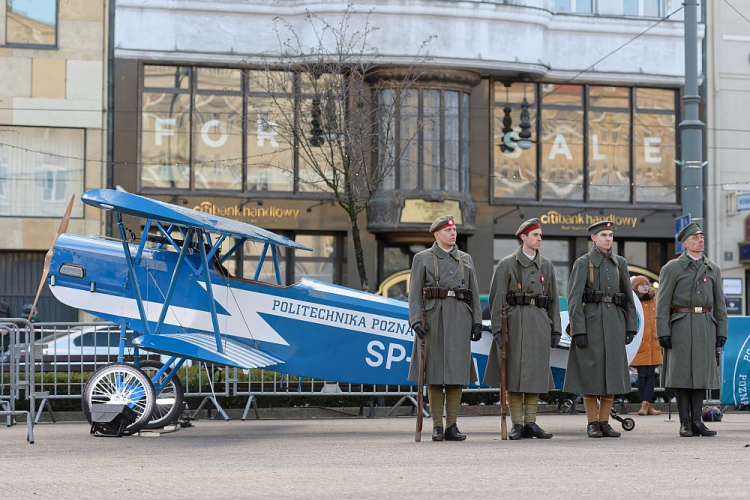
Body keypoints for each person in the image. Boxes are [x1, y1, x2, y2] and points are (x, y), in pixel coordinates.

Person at [484, 218, 561, 440]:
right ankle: (517, 423)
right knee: (515, 374)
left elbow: (554, 299)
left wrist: (555, 329)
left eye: (540, 235)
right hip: (515, 322)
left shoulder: (546, 265)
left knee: (536, 373)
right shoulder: (507, 264)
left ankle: (531, 422)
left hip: (539, 322)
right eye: (535, 235)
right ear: (523, 237)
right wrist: (499, 330)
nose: (539, 239)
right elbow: (496, 299)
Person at [408, 215, 482, 442]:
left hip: (460, 318)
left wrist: (477, 321)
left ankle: (452, 425)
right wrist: (415, 322)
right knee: (434, 373)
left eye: (454, 229)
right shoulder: (423, 258)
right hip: (433, 318)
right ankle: (437, 426)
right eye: (448, 230)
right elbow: (415, 293)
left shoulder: (466, 259)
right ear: (436, 234)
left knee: (456, 374)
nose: (453, 233)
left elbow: (474, 293)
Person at [564, 220, 637, 438]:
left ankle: (604, 422)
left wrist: (630, 326)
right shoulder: (583, 263)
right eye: (603, 235)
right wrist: (578, 329)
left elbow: (629, 297)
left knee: (612, 374)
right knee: (591, 375)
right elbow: (574, 299)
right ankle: (592, 422)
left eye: (610, 235)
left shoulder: (620, 263)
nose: (608, 238)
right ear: (593, 239)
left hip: (615, 322)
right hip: (591, 323)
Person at [656, 222, 727, 437]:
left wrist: (722, 330)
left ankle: (698, 422)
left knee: (701, 375)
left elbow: (719, 304)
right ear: (685, 243)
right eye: (695, 237)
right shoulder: (672, 268)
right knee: (682, 375)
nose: (700, 240)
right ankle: (684, 423)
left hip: (705, 324)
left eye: (702, 236)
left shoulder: (712, 268)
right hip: (681, 324)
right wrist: (663, 332)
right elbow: (662, 303)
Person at [630, 276, 662, 416]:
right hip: (640, 343)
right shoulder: (634, 303)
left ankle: (646, 405)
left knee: (651, 375)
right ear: (635, 288)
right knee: (642, 375)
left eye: (646, 284)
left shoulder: (655, 302)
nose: (645, 286)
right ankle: (645, 405)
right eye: (641, 284)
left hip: (653, 342)